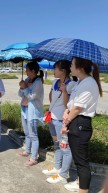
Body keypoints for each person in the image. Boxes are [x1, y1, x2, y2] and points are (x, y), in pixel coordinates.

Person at [62, 57, 102, 193]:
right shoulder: (80, 82)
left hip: (80, 123)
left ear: (80, 68)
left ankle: (83, 190)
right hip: (76, 121)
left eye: (72, 65)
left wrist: (65, 122)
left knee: (81, 163)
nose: (70, 68)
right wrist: (67, 111)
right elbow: (72, 103)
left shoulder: (88, 83)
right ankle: (79, 183)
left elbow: (78, 108)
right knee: (78, 159)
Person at [41, 60, 77, 184]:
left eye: (55, 68)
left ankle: (63, 174)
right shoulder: (54, 81)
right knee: (57, 144)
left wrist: (65, 91)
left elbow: (69, 105)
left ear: (63, 70)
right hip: (52, 118)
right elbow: (51, 97)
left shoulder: (71, 84)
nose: (53, 70)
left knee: (65, 148)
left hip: (62, 120)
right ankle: (57, 167)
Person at [18, 61, 44, 166]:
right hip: (24, 109)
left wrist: (25, 87)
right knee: (27, 132)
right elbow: (20, 94)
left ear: (33, 71)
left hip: (32, 111)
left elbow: (31, 96)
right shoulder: (27, 79)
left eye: (27, 70)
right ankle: (27, 150)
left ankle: (34, 158)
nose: (26, 72)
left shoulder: (38, 82)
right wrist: (21, 87)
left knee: (33, 135)